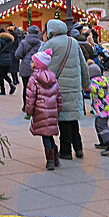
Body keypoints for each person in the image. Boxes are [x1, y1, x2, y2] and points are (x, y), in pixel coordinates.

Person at [41, 19, 90, 160]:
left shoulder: (49, 44)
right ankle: (79, 148)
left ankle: (66, 151)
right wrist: (85, 84)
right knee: (73, 119)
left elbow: (37, 61)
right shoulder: (73, 42)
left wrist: (44, 42)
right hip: (74, 88)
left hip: (58, 89)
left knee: (63, 121)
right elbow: (83, 65)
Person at [24, 48, 62, 170]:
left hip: (40, 110)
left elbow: (30, 96)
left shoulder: (33, 78)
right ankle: (55, 155)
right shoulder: (52, 76)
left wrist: (28, 111)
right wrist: (59, 108)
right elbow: (58, 94)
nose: (31, 63)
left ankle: (50, 159)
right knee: (48, 133)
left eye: (32, 62)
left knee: (45, 135)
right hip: (52, 109)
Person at [88, 63, 109, 155]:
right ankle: (103, 141)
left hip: (102, 108)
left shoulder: (95, 81)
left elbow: (93, 89)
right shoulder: (103, 79)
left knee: (101, 125)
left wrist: (85, 87)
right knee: (98, 124)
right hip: (105, 107)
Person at [15, 26, 42, 111]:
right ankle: (36, 105)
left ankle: (26, 106)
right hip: (37, 67)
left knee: (26, 87)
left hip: (26, 67)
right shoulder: (41, 43)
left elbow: (17, 54)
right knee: (37, 87)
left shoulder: (24, 42)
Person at [0, 26, 17, 96]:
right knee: (5, 74)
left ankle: (3, 90)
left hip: (1, 59)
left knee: (0, 76)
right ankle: (11, 84)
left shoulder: (0, 40)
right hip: (8, 58)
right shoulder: (10, 40)